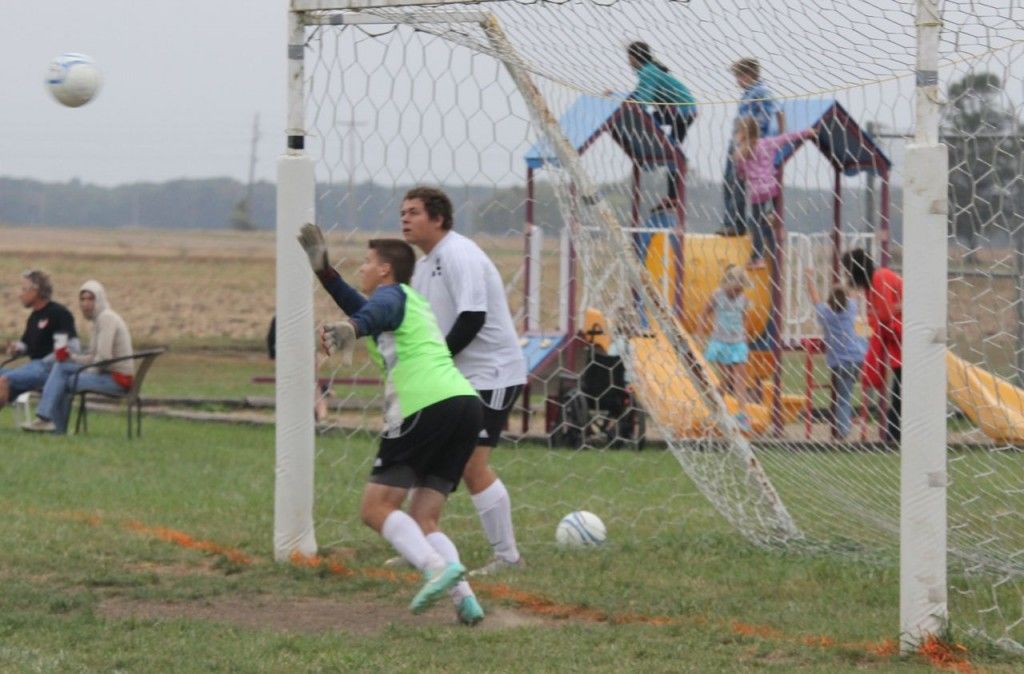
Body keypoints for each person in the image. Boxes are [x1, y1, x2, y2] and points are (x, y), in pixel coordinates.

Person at [297, 224, 486, 625]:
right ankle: (465, 599)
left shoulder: (391, 296)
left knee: (375, 508)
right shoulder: (410, 302)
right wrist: (324, 272)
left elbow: (372, 312)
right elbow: (362, 308)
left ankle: (435, 569)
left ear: (385, 270)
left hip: (424, 406)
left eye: (367, 262)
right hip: (463, 406)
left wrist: (352, 329)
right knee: (425, 518)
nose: (362, 268)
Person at [400, 186, 528, 577]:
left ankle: (508, 557)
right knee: (428, 458)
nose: (405, 218)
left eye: (414, 212)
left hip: (493, 374)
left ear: (438, 219)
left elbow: (472, 318)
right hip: (456, 376)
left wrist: (434, 362)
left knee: (473, 465)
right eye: (402, 212)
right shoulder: (424, 265)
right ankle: (418, 543)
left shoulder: (460, 254)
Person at [21, 280, 134, 434]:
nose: (85, 304)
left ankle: (47, 421)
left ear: (99, 299)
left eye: (90, 299)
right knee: (61, 367)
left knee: (64, 379)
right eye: (82, 299)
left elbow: (103, 358)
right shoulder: (98, 320)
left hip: (117, 380)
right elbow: (93, 357)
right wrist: (72, 357)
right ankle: (51, 425)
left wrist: (84, 371)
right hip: (106, 373)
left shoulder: (106, 318)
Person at [732, 118, 816, 267]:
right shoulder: (767, 143)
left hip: (758, 193)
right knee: (768, 220)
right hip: (772, 188)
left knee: (755, 222)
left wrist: (744, 174)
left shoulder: (741, 153)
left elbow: (741, 173)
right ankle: (776, 241)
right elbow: (787, 138)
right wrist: (806, 132)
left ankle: (758, 256)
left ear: (743, 134)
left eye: (738, 132)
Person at [841, 248, 903, 443]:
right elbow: (879, 314)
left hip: (904, 335)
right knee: (899, 388)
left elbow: (884, 314)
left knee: (900, 389)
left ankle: (893, 434)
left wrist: (874, 317)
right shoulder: (872, 283)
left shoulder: (880, 278)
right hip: (897, 338)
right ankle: (892, 433)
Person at [722, 58, 785, 237]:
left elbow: (770, 116)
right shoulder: (748, 93)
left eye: (738, 76)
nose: (736, 81)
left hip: (747, 145)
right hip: (739, 141)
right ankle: (733, 221)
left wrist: (753, 143)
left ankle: (737, 223)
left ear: (747, 75)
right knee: (731, 182)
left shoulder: (761, 92)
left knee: (738, 182)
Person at [0, 270, 78, 410]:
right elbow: (27, 345)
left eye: (23, 289)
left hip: (48, 370)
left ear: (35, 291)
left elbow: (72, 346)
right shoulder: (34, 317)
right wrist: (17, 348)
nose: (20, 294)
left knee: (4, 380)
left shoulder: (59, 313)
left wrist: (46, 362)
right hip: (32, 368)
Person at [804, 269, 867, 439]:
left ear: (829, 300)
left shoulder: (825, 314)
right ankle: (870, 395)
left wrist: (810, 278)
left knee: (843, 397)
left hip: (840, 362)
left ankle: (842, 432)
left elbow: (815, 297)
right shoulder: (851, 309)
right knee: (851, 388)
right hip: (858, 358)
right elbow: (855, 292)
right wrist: (851, 275)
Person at [698, 265, 752, 432]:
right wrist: (699, 333)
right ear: (726, 285)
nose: (736, 293)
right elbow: (703, 313)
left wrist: (745, 337)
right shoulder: (717, 295)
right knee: (727, 379)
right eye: (734, 290)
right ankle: (715, 408)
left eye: (739, 290)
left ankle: (742, 414)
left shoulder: (744, 300)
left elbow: (744, 319)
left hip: (737, 342)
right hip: (720, 342)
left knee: (740, 377)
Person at [623, 41, 697, 151]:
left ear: (633, 57)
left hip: (680, 110)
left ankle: (646, 152)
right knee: (673, 151)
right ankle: (676, 165)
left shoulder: (648, 72)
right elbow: (636, 94)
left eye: (628, 58)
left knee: (642, 122)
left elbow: (644, 99)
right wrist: (614, 95)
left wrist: (627, 112)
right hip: (690, 111)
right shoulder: (651, 69)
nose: (628, 62)